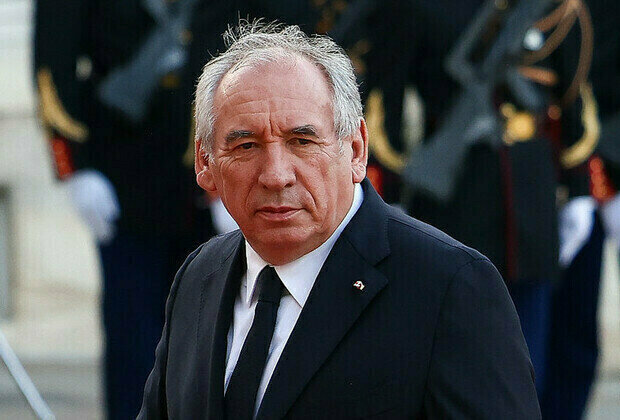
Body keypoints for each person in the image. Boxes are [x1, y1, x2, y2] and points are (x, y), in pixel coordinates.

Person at [138, 21, 540, 419]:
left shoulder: (447, 287)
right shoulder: (200, 275)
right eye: (246, 145)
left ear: (357, 150)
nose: (276, 175)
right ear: (205, 163)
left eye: (302, 141)